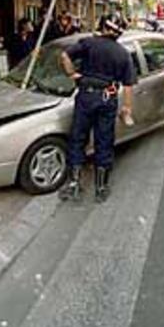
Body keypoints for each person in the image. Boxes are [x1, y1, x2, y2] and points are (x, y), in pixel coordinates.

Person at [59, 13, 135, 202]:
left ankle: (74, 183)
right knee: (104, 141)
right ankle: (101, 187)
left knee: (78, 139)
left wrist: (72, 74)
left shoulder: (88, 43)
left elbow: (64, 55)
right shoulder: (123, 53)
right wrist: (127, 109)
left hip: (86, 96)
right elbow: (128, 86)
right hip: (107, 99)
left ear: (103, 26)